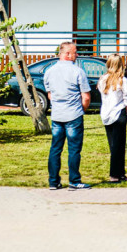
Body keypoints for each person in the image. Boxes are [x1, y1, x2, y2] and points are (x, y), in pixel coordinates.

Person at [43, 41, 92, 191]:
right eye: (75, 52)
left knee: (55, 149)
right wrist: (81, 109)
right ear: (67, 54)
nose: (77, 55)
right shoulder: (78, 71)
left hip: (57, 115)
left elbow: (50, 95)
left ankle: (53, 181)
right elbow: (86, 97)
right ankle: (74, 180)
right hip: (73, 114)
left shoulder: (49, 71)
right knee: (74, 150)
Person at [99, 53, 127, 182]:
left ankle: (119, 172)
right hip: (119, 113)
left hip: (106, 114)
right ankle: (115, 173)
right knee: (119, 145)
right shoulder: (122, 80)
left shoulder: (103, 79)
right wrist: (126, 109)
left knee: (113, 145)